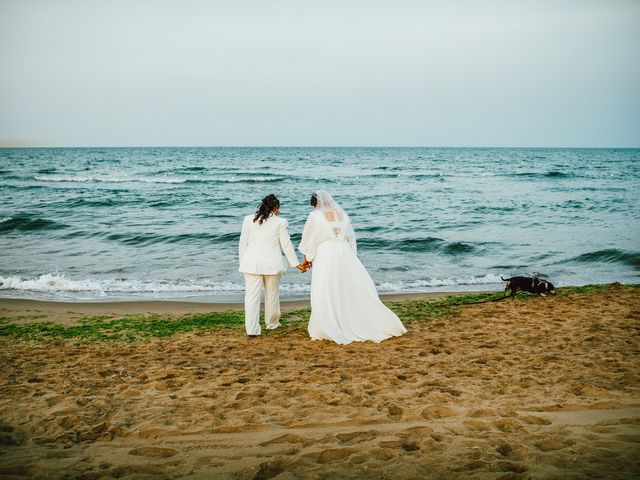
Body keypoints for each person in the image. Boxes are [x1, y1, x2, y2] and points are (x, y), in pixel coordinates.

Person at [298, 190, 407, 344]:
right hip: (344, 253)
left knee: (325, 288)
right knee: (347, 288)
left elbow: (310, 240)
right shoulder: (342, 214)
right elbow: (350, 237)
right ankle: (353, 320)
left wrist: (307, 260)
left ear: (316, 204)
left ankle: (328, 324)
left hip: (326, 254)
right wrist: (349, 255)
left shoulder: (314, 216)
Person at [239, 194, 302, 336]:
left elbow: (243, 243)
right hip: (272, 264)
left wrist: (243, 262)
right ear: (275, 207)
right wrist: (296, 264)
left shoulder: (249, 220)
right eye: (278, 208)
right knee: (272, 295)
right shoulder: (280, 222)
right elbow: (286, 244)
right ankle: (272, 323)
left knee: (251, 297)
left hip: (251, 264)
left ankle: (252, 329)